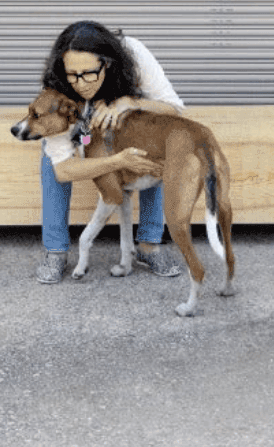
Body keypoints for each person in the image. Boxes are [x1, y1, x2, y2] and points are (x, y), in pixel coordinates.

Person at [35, 20, 185, 284]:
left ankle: (149, 245)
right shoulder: (58, 90)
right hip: (85, 127)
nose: (81, 83)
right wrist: (116, 163)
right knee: (49, 162)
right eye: (73, 74)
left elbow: (173, 108)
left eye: (89, 73)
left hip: (128, 116)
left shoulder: (134, 55)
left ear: (108, 63)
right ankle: (56, 251)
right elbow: (62, 169)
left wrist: (131, 103)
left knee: (154, 138)